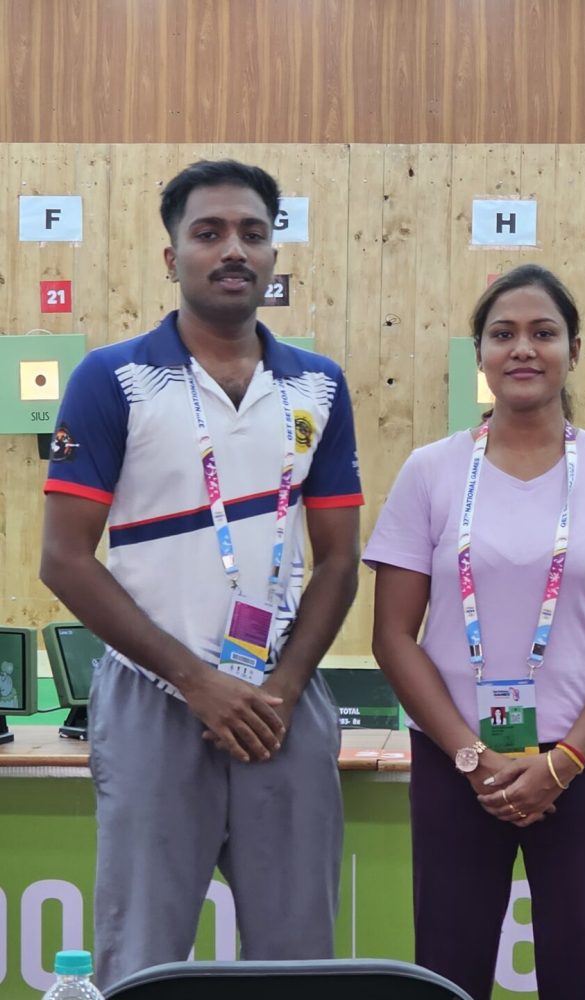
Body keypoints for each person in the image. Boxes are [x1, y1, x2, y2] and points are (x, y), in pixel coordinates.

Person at [39, 160, 363, 989]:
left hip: (279, 705)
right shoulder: (111, 378)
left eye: (253, 233)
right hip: (154, 699)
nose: (233, 250)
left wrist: (285, 686)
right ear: (171, 255)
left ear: (274, 253)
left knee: (299, 967)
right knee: (140, 960)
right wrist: (194, 681)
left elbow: (338, 560)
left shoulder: (318, 385)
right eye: (209, 232)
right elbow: (65, 559)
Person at [364, 264, 585, 999]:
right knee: (447, 968)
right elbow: (392, 636)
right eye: (503, 334)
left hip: (581, 762)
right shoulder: (431, 472)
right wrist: (471, 756)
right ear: (478, 353)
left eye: (544, 333)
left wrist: (564, 761)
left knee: (583, 971)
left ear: (575, 349)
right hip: (455, 765)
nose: (523, 349)